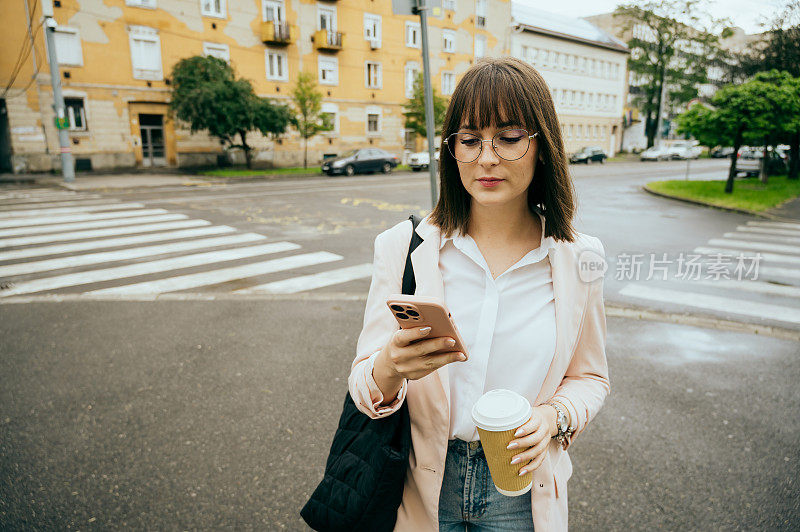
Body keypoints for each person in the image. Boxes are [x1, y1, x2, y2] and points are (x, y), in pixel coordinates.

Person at [348, 57, 609, 531]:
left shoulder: (578, 258)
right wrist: (391, 365)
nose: (486, 157)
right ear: (452, 151)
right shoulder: (403, 249)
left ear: (542, 146)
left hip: (522, 489)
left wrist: (553, 417)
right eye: (469, 140)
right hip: (421, 484)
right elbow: (364, 387)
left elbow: (591, 378)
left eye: (508, 138)